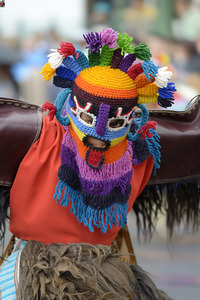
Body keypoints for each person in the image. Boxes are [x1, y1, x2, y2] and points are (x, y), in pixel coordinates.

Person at [0, 28, 178, 299]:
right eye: (89, 117)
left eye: (114, 123)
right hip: (97, 272)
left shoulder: (44, 133)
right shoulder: (142, 152)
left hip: (38, 269)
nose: (98, 137)